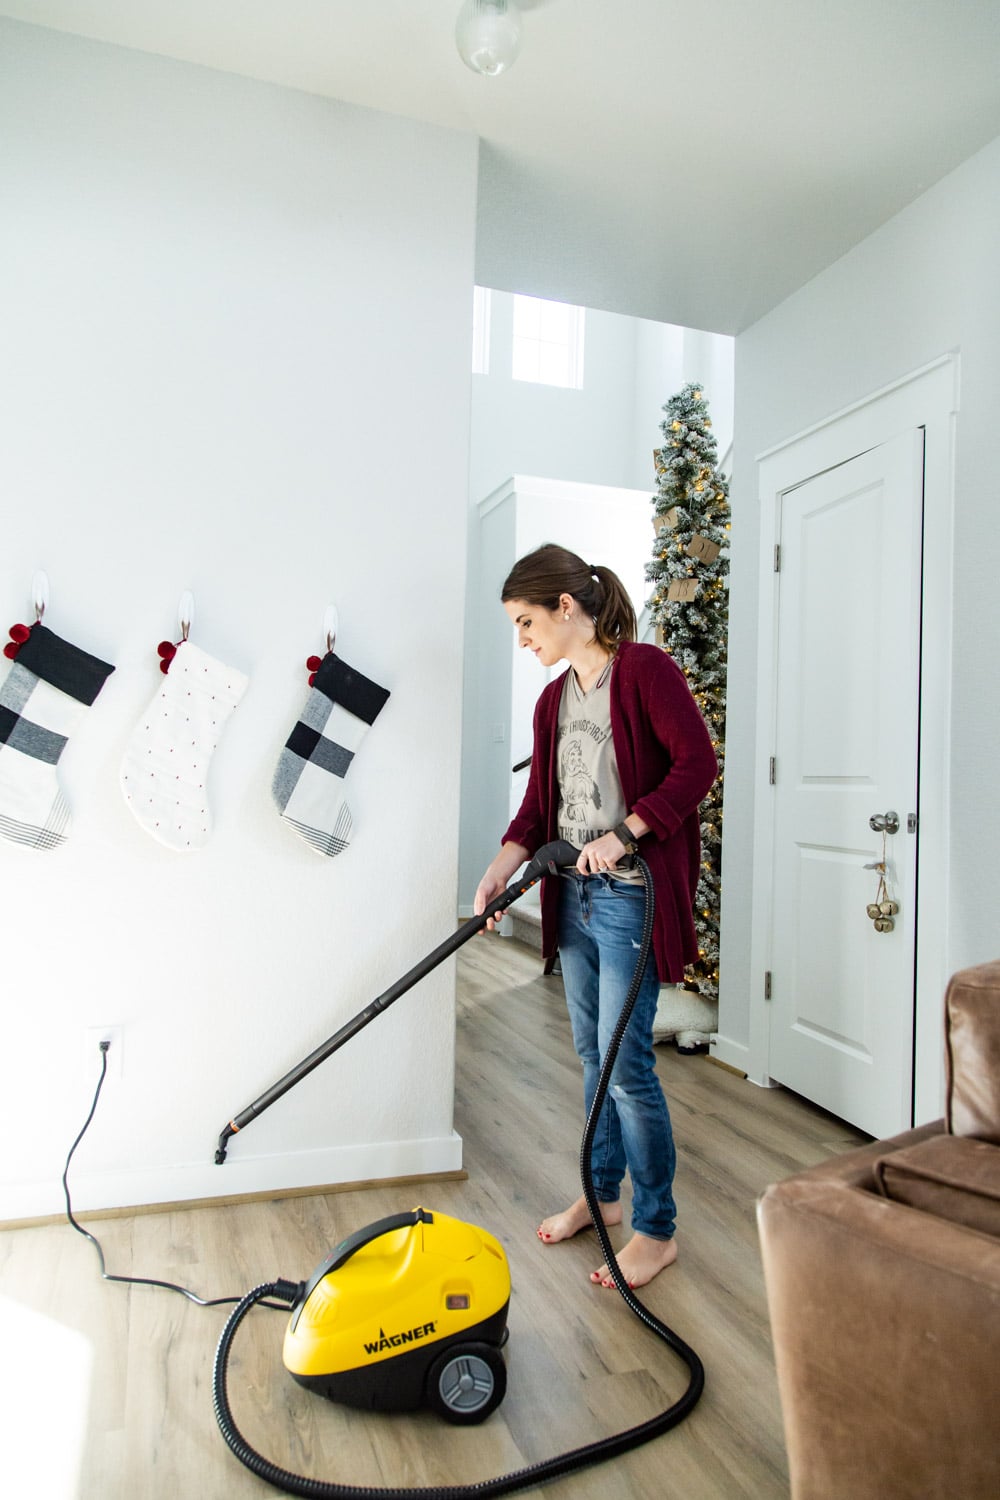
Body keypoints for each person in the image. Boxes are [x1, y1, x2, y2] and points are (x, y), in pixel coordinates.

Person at [474, 543, 717, 1290]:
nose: (524, 640)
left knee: (626, 1064)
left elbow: (697, 764)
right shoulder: (554, 702)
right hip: (571, 893)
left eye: (526, 622)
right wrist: (499, 869)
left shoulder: (644, 672)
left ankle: (656, 1229)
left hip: (628, 893)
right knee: (592, 1056)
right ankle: (602, 1194)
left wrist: (628, 832)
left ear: (567, 609)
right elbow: (540, 804)